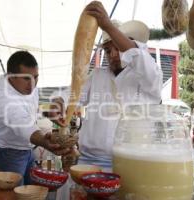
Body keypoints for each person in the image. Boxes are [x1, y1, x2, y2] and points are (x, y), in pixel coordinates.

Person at [51, 1, 162, 172]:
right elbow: (72, 95)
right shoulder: (97, 75)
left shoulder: (148, 74)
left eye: (118, 48)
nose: (113, 55)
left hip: (130, 163)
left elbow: (138, 55)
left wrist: (108, 26)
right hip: (88, 160)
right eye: (108, 51)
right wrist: (58, 102)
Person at [0, 51, 71, 185]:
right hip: (10, 152)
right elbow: (23, 125)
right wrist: (45, 142)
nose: (33, 84)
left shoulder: (27, 88)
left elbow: (30, 111)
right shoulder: (3, 100)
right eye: (27, 78)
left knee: (30, 190)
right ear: (11, 76)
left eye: (36, 77)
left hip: (27, 149)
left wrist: (48, 114)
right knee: (14, 193)